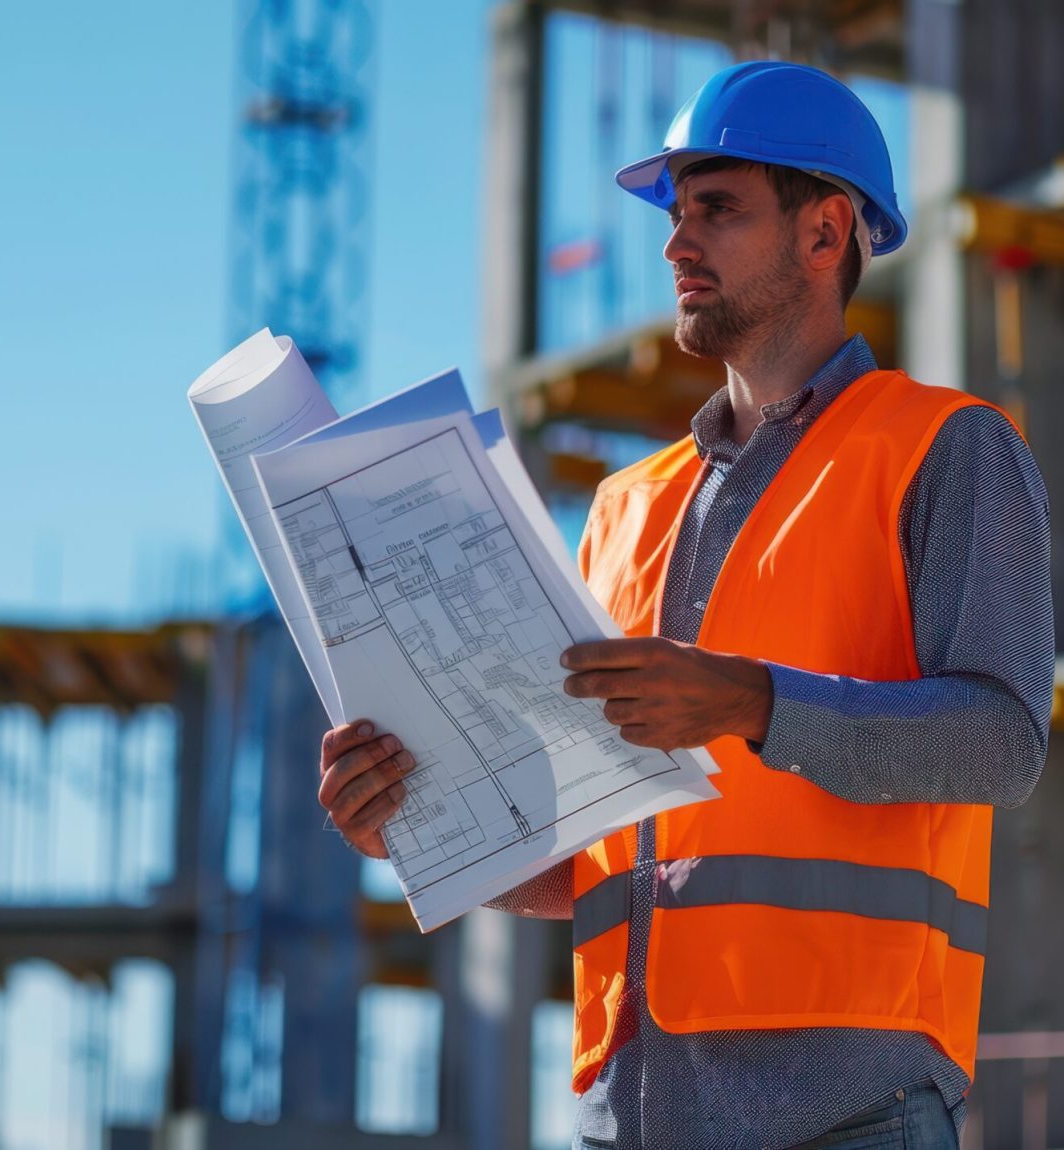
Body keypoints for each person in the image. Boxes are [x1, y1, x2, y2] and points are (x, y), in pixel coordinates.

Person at [318, 61, 1054, 1149]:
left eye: (716, 208)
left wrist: (749, 701)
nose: (674, 243)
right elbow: (603, 862)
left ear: (824, 232)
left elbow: (1000, 742)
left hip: (849, 1115)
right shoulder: (624, 507)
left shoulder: (943, 449)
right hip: (628, 1116)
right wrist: (418, 828)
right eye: (676, 211)